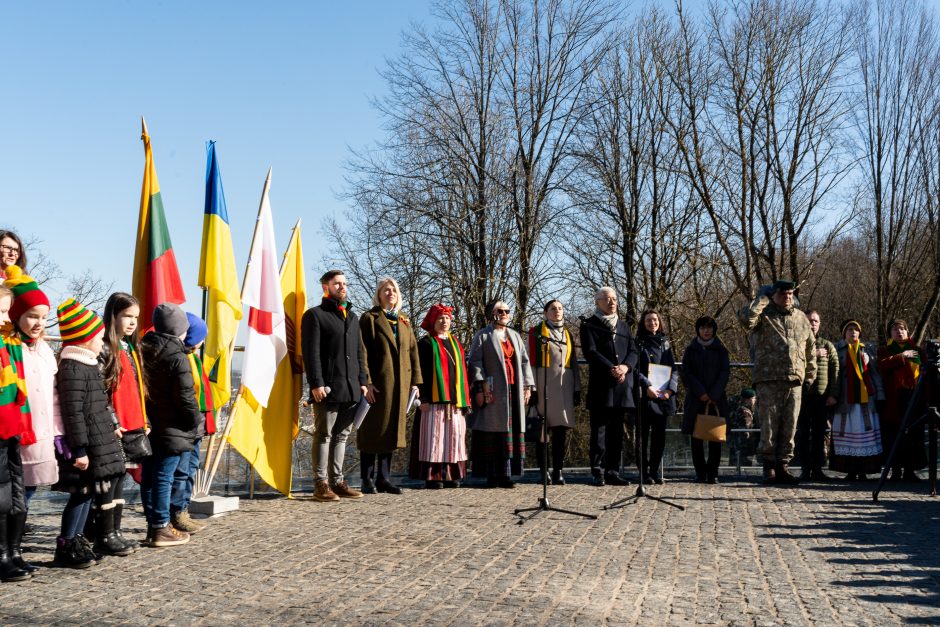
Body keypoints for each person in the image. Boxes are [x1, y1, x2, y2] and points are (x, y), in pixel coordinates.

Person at [53, 297, 127, 567]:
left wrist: (113, 424)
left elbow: (99, 404)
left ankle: (77, 539)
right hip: (83, 446)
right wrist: (80, 449)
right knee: (81, 492)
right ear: (84, 339)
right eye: (97, 336)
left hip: (96, 441)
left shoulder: (88, 364)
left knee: (88, 491)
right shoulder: (72, 367)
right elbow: (73, 413)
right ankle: (67, 542)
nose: (100, 341)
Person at [3, 266, 58, 574]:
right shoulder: (10, 347)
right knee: (11, 495)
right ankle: (6, 550)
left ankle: (15, 549)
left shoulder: (45, 350)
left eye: (43, 317)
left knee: (27, 494)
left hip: (40, 433)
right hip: (16, 432)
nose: (39, 323)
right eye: (33, 316)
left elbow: (52, 396)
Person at [737, 280, 816, 484]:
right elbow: (746, 320)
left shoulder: (800, 318)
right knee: (769, 426)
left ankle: (783, 465)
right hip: (768, 379)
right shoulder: (763, 315)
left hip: (794, 380)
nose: (787, 297)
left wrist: (809, 376)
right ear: (774, 295)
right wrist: (762, 300)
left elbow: (810, 349)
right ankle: (769, 466)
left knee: (789, 427)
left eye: (790, 293)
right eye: (783, 293)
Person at [301, 269, 369, 502]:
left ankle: (338, 481)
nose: (342, 287)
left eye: (344, 284)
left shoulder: (352, 317)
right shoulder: (315, 315)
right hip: (328, 388)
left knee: (341, 436)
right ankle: (321, 484)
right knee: (324, 435)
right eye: (337, 283)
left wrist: (363, 382)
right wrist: (316, 383)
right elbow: (312, 354)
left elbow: (359, 353)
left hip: (351, 388)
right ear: (325, 287)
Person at [139, 303, 202, 547]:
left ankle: (153, 524)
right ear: (180, 330)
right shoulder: (177, 355)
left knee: (150, 476)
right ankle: (161, 527)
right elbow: (185, 395)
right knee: (164, 477)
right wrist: (195, 420)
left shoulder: (145, 349)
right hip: (174, 426)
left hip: (151, 424)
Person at [358, 278, 422, 495]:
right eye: (386, 289)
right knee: (371, 431)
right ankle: (366, 479)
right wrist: (366, 381)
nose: (391, 292)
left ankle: (384, 478)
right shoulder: (370, 318)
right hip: (378, 385)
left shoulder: (404, 321)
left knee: (391, 431)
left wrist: (416, 382)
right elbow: (362, 352)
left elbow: (413, 352)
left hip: (401, 386)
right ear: (379, 294)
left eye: (394, 289)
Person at [99, 292, 149, 551]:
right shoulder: (105, 348)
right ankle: (105, 534)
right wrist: (111, 420)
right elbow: (100, 390)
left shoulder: (129, 348)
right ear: (113, 316)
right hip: (115, 426)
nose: (132, 322)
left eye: (135, 318)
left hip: (131, 424)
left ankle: (115, 531)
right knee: (110, 479)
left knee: (120, 478)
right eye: (126, 316)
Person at [467, 300, 534, 488]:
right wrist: (480, 387)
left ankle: (506, 475)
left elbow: (524, 362)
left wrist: (527, 386)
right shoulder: (483, 336)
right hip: (492, 391)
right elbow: (475, 362)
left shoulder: (515, 336)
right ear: (492, 314)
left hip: (514, 390)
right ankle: (491, 475)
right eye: (500, 311)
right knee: (492, 433)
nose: (504, 313)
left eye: (507, 310)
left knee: (510, 433)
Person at [580, 287, 638, 487]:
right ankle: (598, 471)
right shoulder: (589, 325)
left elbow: (633, 350)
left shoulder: (623, 326)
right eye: (607, 299)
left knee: (616, 433)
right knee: (599, 432)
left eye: (614, 299)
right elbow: (591, 352)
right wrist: (611, 368)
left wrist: (625, 367)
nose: (612, 302)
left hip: (622, 386)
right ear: (598, 302)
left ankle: (613, 471)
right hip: (601, 386)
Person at [410, 304, 470, 489]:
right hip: (433, 401)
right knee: (434, 438)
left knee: (453, 438)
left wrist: (464, 401)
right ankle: (433, 476)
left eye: (447, 319)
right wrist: (423, 398)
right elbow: (418, 372)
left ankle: (451, 474)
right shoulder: (425, 344)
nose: (444, 322)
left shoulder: (456, 343)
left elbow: (463, 373)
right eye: (440, 319)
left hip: (454, 401)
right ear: (433, 322)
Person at [168, 313, 214, 533]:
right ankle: (176, 512)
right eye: (201, 336)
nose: (203, 341)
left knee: (191, 468)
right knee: (182, 471)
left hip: (195, 426)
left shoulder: (194, 359)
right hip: (186, 426)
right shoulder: (183, 360)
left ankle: (183, 509)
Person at [527, 299, 580, 485]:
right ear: (545, 313)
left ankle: (558, 470)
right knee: (543, 431)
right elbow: (529, 362)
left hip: (564, 387)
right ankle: (543, 471)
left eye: (560, 308)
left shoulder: (567, 333)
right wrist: (531, 387)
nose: (557, 311)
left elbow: (573, 363)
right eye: (553, 309)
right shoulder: (536, 333)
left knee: (561, 431)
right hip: (543, 386)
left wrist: (577, 388)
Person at [0, 285, 30, 582]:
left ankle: (13, 551)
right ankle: (2, 556)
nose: (4, 316)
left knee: (16, 490)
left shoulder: (10, 340)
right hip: (0, 423)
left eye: (7, 310)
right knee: (1, 491)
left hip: (12, 423)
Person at [830, 320, 884, 480]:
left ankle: (864, 470)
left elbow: (875, 373)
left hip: (865, 400)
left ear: (860, 333)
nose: (853, 332)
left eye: (856, 329)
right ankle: (850, 470)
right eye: (849, 329)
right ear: (844, 333)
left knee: (865, 432)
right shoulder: (836, 349)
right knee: (847, 433)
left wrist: (880, 393)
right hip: (845, 399)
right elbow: (834, 374)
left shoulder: (868, 350)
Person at [681, 316, 730, 484]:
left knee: (715, 437)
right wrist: (701, 393)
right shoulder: (690, 350)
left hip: (716, 400)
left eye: (709, 327)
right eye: (702, 328)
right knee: (697, 438)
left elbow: (725, 373)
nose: (706, 331)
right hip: (696, 399)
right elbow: (686, 373)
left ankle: (713, 473)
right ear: (698, 330)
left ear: (714, 329)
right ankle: (700, 472)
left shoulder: (721, 350)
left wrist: (713, 394)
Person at [877, 319, 927, 481]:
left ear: (907, 331)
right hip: (894, 400)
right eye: (895, 330)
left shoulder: (917, 350)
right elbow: (882, 367)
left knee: (913, 435)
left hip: (913, 398)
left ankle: (910, 471)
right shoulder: (885, 350)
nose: (899, 332)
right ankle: (896, 470)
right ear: (890, 333)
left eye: (902, 329)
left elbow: (925, 372)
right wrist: (901, 356)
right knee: (894, 435)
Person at [633, 309, 677, 485]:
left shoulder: (666, 343)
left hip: (663, 396)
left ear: (659, 322)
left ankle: (654, 470)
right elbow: (634, 369)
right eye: (648, 321)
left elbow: (673, 369)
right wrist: (647, 385)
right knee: (642, 437)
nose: (652, 323)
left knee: (659, 438)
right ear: (643, 324)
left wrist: (670, 390)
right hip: (645, 395)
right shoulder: (638, 343)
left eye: (655, 320)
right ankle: (643, 472)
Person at [796, 310, 839, 481]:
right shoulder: (797, 343)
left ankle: (818, 469)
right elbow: (791, 359)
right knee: (803, 434)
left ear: (819, 324)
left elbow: (835, 371)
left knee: (820, 435)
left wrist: (833, 395)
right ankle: (805, 469)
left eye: (815, 321)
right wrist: (813, 353)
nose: (813, 324)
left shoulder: (827, 345)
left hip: (822, 397)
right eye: (809, 321)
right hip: (802, 396)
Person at [727, 388, 758, 467]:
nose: (755, 401)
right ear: (749, 399)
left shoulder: (734, 407)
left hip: (733, 441)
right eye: (754, 398)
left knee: (733, 465)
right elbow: (747, 429)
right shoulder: (745, 412)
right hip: (744, 444)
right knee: (746, 466)